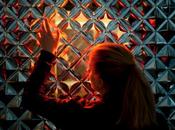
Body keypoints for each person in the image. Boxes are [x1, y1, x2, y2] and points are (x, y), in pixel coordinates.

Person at [22, 19, 169, 130]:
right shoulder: (157, 121)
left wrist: (48, 53)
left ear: (99, 79)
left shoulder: (86, 116)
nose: (87, 73)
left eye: (90, 69)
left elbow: (31, 99)